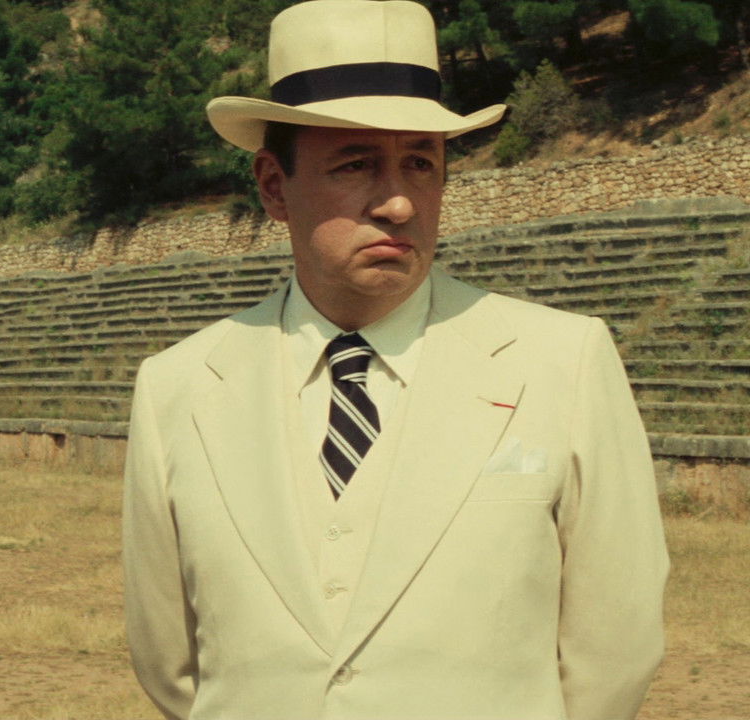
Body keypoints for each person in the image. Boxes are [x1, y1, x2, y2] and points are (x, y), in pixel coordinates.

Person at [121, 2, 669, 719]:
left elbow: (615, 645)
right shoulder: (179, 388)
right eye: (356, 164)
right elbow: (172, 665)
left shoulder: (562, 362)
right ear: (273, 186)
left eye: (420, 161)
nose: (401, 203)